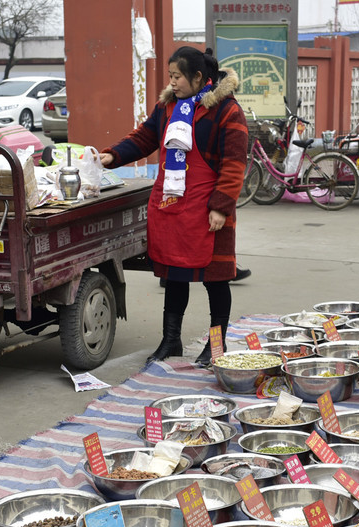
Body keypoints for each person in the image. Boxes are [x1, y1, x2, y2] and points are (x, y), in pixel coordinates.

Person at [100, 47, 247, 366]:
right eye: (170, 76)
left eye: (177, 76)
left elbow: (234, 164)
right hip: (174, 206)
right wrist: (113, 156)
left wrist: (221, 206)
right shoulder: (168, 106)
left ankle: (217, 347)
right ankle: (171, 340)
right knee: (175, 275)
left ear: (198, 78)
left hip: (210, 209)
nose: (173, 82)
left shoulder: (226, 111)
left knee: (216, 280)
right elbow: (144, 138)